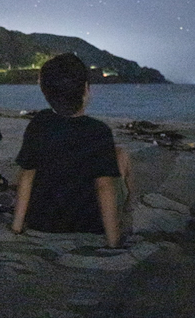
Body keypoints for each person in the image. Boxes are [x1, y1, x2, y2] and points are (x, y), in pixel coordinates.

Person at [11, 53, 133, 248]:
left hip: (42, 223)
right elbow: (105, 187)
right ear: (86, 89)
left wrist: (17, 227)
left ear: (44, 91)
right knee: (121, 154)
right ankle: (128, 211)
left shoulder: (39, 123)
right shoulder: (99, 131)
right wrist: (113, 241)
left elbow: (26, 176)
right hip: (89, 225)